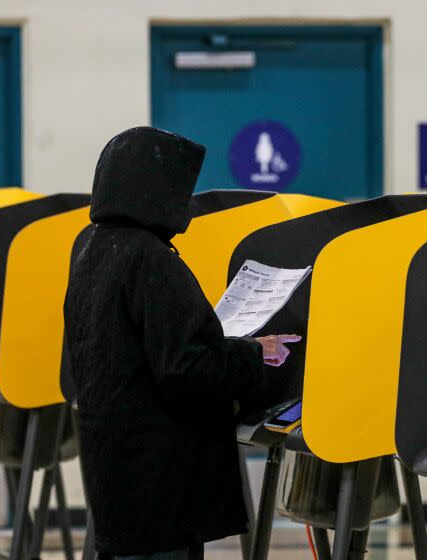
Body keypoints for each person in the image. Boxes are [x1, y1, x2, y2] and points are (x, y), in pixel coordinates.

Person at [63, 127, 300, 560]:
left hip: (116, 465)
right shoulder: (150, 259)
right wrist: (253, 353)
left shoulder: (93, 250)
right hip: (161, 477)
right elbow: (186, 367)